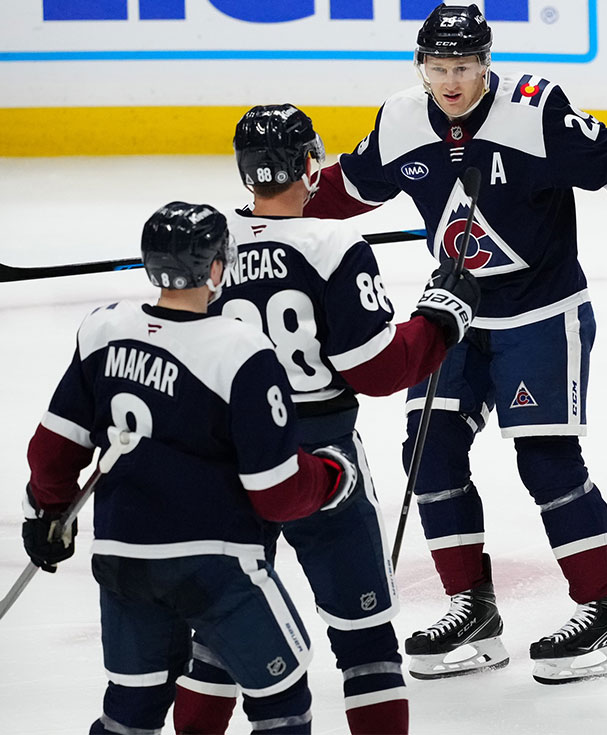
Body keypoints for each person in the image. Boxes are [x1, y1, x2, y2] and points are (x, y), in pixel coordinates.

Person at [302, 3, 607, 684]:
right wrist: (275, 206)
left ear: (486, 62)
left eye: (463, 67)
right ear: (420, 65)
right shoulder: (401, 119)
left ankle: (603, 611)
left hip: (541, 311)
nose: (451, 81)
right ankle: (472, 608)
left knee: (547, 460)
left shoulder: (535, 111)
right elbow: (350, 185)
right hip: (455, 314)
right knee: (429, 453)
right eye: (438, 67)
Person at [171, 104, 480, 734]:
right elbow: (378, 370)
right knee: (365, 642)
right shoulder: (335, 243)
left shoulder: (210, 248)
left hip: (228, 460)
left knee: (220, 634)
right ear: (312, 164)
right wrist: (441, 318)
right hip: (321, 458)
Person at [22, 201, 361, 735]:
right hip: (215, 567)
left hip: (122, 559)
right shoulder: (241, 349)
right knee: (283, 698)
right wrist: (331, 476)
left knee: (131, 709)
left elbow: (51, 452)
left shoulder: (103, 329)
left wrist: (44, 514)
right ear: (217, 268)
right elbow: (275, 492)